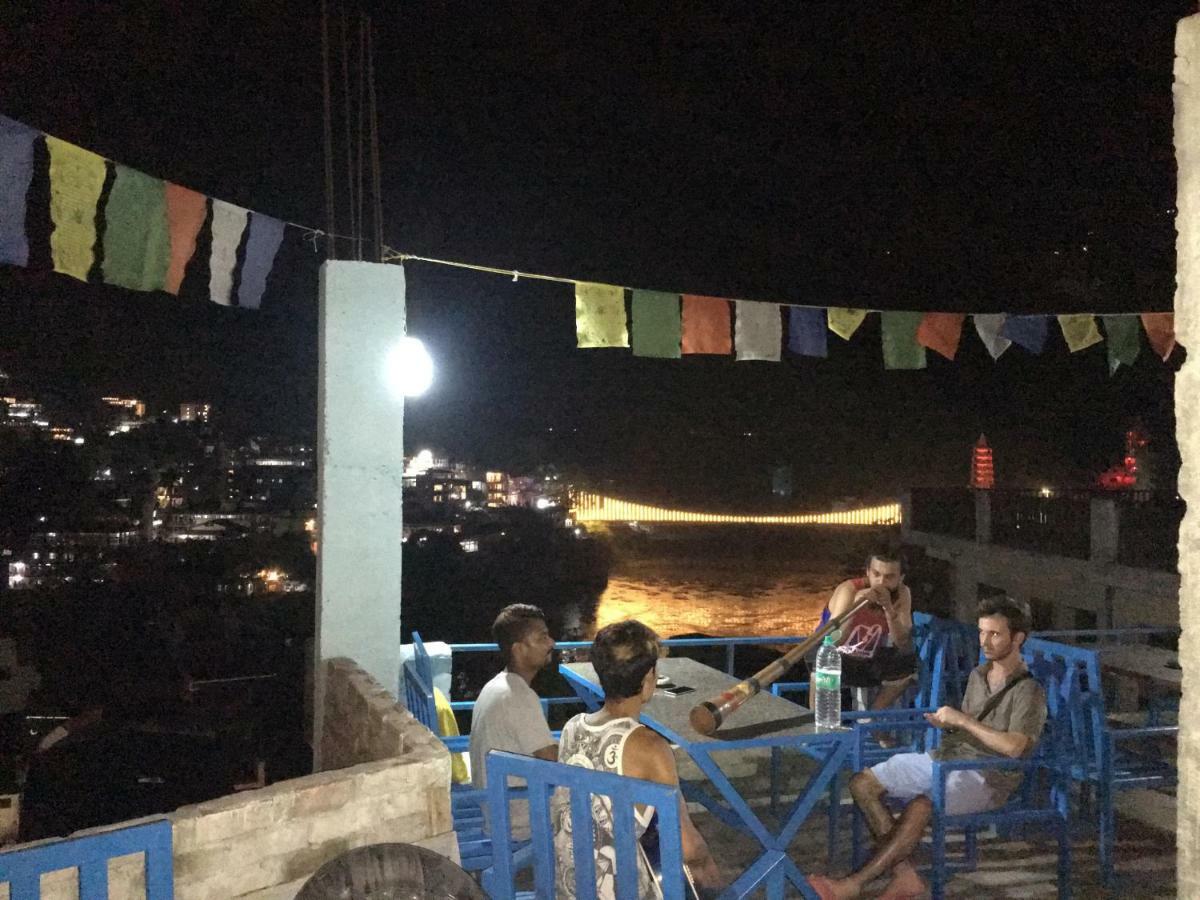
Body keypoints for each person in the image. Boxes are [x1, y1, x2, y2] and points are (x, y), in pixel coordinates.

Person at [808, 597, 1047, 900]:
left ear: (1018, 639)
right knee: (863, 783)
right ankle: (904, 874)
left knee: (921, 805)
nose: (984, 641)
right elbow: (971, 726)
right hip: (948, 757)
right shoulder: (979, 674)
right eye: (982, 632)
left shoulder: (1029, 689)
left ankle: (852, 884)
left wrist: (963, 721)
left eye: (995, 634)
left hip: (988, 777)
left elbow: (1015, 747)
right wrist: (948, 724)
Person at [552, 620, 723, 899]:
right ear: (647, 681)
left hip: (570, 886)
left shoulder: (573, 727)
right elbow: (687, 846)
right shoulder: (649, 746)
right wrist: (713, 878)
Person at [469, 604, 558, 834]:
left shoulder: (498, 685)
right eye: (543, 637)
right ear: (518, 650)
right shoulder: (517, 696)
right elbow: (553, 762)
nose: (552, 643)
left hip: (496, 806)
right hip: (518, 817)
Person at [818, 546, 917, 711]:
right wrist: (855, 608)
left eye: (889, 577)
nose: (881, 582)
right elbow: (832, 640)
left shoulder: (903, 594)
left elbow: (902, 641)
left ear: (900, 578)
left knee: (907, 666)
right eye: (876, 574)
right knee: (823, 660)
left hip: (869, 656)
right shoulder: (849, 590)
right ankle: (820, 723)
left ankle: (874, 718)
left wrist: (889, 609)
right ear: (867, 572)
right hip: (835, 655)